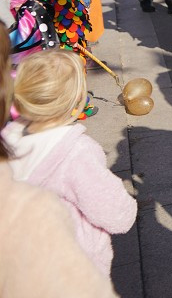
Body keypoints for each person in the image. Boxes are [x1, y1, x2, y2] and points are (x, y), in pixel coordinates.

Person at [0, 32, 121, 297]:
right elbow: (116, 214)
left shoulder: (7, 141)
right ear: (78, 102)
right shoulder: (76, 153)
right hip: (73, 267)